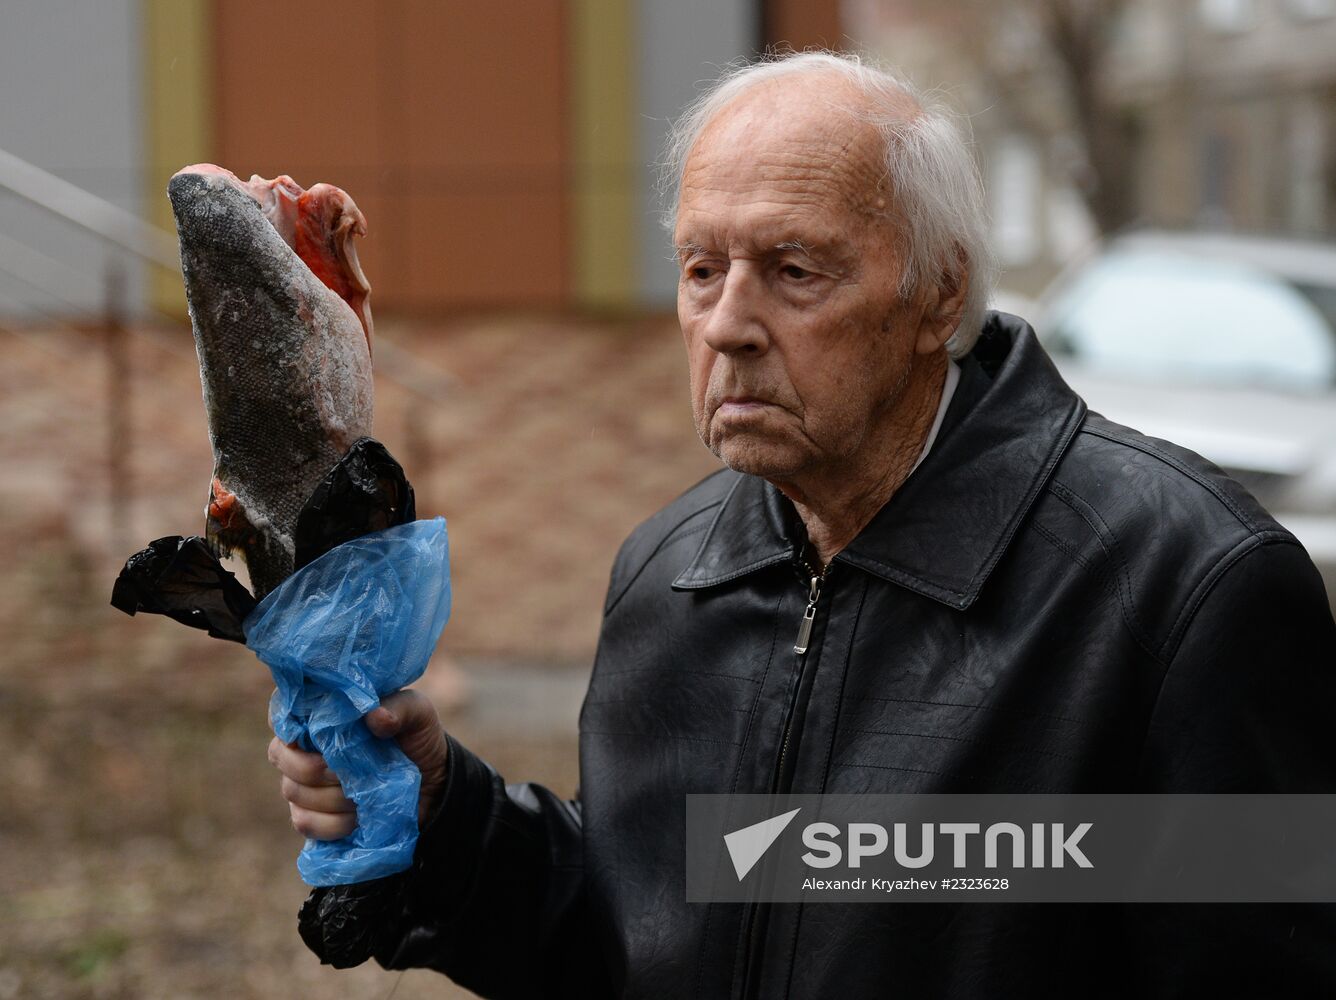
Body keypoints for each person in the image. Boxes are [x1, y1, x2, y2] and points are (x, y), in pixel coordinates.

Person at [269, 52, 1336, 997]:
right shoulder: (672, 572)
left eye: (793, 270)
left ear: (937, 293)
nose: (727, 325)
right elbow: (635, 935)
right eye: (701, 270)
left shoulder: (1185, 588)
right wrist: (449, 815)